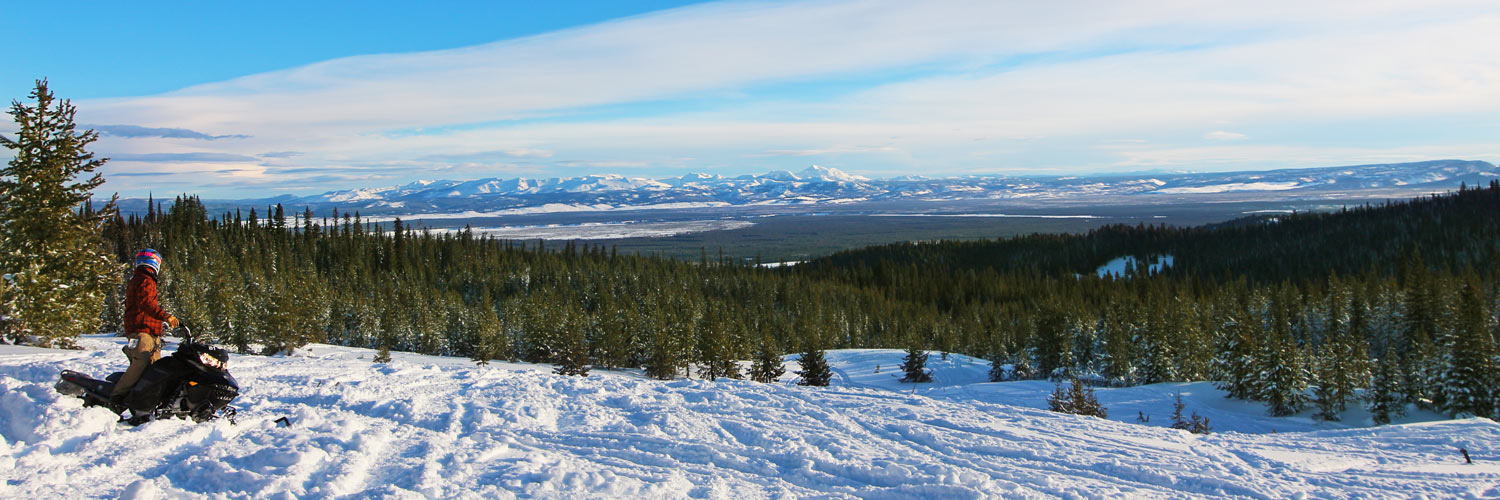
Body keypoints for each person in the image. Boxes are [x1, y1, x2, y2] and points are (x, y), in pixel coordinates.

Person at [109, 249, 179, 406]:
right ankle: (116, 397)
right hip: (143, 330)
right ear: (156, 263)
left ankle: (146, 402)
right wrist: (165, 316)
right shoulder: (145, 280)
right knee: (142, 362)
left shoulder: (141, 278)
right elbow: (147, 303)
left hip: (149, 332)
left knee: (154, 370)